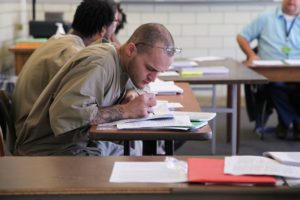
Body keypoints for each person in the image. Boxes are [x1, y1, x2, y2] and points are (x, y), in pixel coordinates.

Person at [14, 23, 179, 156]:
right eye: (150, 68)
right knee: (136, 168)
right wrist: (125, 111)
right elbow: (65, 115)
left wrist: (131, 94)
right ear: (130, 50)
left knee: (138, 158)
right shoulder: (99, 63)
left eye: (159, 72)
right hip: (49, 149)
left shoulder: (123, 63)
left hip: (78, 144)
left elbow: (131, 88)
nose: (153, 78)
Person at [13, 0, 117, 137]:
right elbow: (77, 111)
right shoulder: (74, 55)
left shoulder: (58, 41)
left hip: (29, 130)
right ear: (102, 30)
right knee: (130, 151)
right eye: (115, 23)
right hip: (41, 140)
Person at [237, 0, 300, 140]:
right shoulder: (266, 18)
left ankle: (285, 121)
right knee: (274, 87)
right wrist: (251, 55)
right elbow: (241, 37)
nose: (292, 1)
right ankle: (296, 122)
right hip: (271, 74)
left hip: (298, 72)